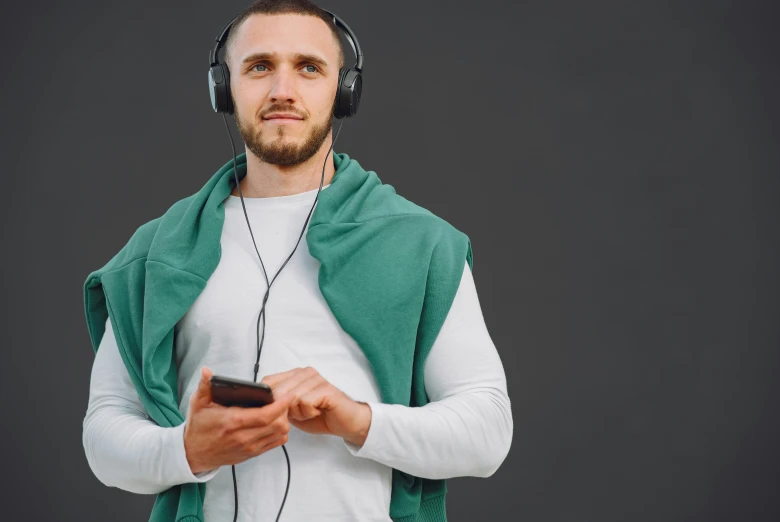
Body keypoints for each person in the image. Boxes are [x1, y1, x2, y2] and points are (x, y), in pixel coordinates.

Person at [81, 1, 513, 521]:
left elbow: (488, 432)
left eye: (309, 67)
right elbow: (104, 433)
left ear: (344, 90)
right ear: (224, 87)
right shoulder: (155, 253)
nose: (282, 90)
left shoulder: (422, 246)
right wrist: (188, 451)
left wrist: (357, 420)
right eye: (259, 66)